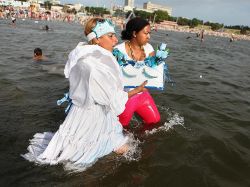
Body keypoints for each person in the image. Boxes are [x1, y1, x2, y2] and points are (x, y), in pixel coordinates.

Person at [22, 18, 147, 171]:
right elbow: (112, 100)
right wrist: (134, 91)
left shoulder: (86, 58)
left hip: (83, 113)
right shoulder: (96, 65)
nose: (116, 39)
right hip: (93, 117)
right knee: (83, 159)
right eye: (110, 36)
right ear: (97, 39)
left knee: (83, 152)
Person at [113, 17, 161, 127]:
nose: (149, 36)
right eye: (146, 33)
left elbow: (153, 72)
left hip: (143, 94)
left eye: (149, 33)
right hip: (125, 97)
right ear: (135, 33)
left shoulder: (149, 48)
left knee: (155, 123)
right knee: (121, 129)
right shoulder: (118, 51)